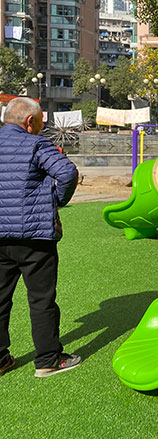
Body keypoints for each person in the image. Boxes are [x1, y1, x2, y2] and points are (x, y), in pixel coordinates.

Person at [0, 97, 80, 378]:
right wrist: (55, 201)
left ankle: (1, 359)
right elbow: (67, 172)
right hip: (34, 238)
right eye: (40, 123)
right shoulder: (36, 144)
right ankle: (48, 360)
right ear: (29, 121)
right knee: (41, 300)